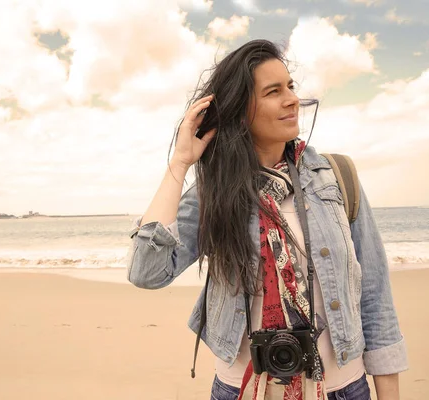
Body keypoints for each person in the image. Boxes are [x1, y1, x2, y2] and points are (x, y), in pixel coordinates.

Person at [126, 39, 408, 400]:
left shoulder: (336, 177)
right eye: (274, 91)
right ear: (241, 110)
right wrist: (180, 163)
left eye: (290, 86)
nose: (292, 99)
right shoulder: (215, 192)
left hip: (341, 388)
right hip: (243, 389)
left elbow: (375, 294)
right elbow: (147, 272)